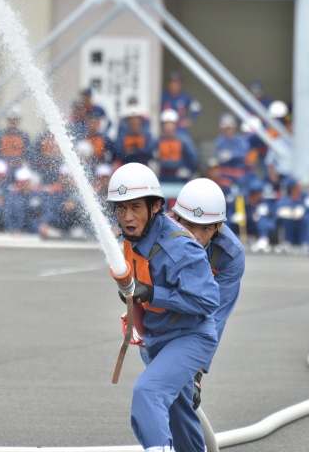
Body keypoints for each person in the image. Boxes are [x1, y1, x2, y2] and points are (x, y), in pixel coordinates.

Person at [107, 163, 219, 452]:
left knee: (149, 392)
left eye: (135, 207)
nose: (127, 217)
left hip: (189, 337)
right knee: (179, 417)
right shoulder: (131, 237)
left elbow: (208, 301)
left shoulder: (180, 247)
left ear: (155, 206)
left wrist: (153, 294)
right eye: (120, 209)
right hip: (157, 337)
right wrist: (134, 307)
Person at [171, 177, 245, 394]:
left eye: (205, 229)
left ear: (218, 226)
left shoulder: (231, 255)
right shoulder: (158, 236)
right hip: (159, 317)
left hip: (198, 312)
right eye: (189, 225)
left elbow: (216, 316)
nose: (195, 236)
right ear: (175, 218)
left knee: (182, 389)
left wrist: (198, 371)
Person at [39, 165, 91, 240]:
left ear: (71, 177)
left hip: (76, 228)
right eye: (63, 176)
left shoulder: (79, 191)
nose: (65, 179)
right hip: (58, 227)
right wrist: (45, 223)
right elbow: (50, 210)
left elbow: (86, 212)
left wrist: (75, 206)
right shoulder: (54, 192)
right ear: (59, 177)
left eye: (67, 176)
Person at [228, 177, 276, 253]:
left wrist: (259, 216)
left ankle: (263, 240)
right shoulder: (240, 200)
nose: (260, 195)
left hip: (256, 229)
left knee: (262, 217)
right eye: (258, 193)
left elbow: (272, 219)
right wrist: (233, 217)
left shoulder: (263, 203)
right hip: (240, 227)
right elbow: (229, 215)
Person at [155, 109, 198, 183]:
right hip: (163, 176)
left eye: (171, 123)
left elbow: (193, 157)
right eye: (166, 123)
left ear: (176, 124)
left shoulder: (183, 140)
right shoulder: (158, 140)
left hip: (179, 176)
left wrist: (188, 169)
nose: (168, 126)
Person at [275, 177, 309, 252]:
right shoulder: (286, 198)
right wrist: (288, 212)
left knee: (307, 218)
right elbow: (279, 209)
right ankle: (288, 241)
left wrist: (303, 210)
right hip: (291, 222)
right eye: (297, 186)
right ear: (292, 188)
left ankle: (304, 242)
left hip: (302, 221)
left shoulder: (306, 196)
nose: (299, 187)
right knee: (286, 220)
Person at [161, 71, 201, 137]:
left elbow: (197, 108)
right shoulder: (163, 97)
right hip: (166, 129)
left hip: (181, 129)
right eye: (172, 83)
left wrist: (191, 119)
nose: (174, 85)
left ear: (180, 85)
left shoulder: (185, 97)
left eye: (177, 83)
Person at [3, 167, 43, 234]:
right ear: (19, 184)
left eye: (27, 182)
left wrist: (43, 224)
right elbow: (7, 216)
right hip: (18, 227)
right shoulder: (12, 198)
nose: (26, 185)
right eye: (23, 183)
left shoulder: (36, 195)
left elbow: (42, 211)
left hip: (32, 226)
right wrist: (13, 230)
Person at [214, 113, 248, 186]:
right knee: (225, 192)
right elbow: (218, 156)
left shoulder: (240, 140)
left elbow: (244, 154)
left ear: (234, 128)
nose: (227, 130)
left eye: (229, 128)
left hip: (238, 174)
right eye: (225, 128)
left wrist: (232, 155)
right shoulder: (220, 142)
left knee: (240, 195)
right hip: (224, 175)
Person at [0, 105, 31, 181]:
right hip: (4, 168)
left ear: (19, 120)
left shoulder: (24, 136)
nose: (13, 121)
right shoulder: (0, 135)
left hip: (18, 167)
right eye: (11, 119)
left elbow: (28, 154)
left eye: (15, 119)